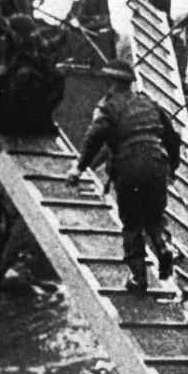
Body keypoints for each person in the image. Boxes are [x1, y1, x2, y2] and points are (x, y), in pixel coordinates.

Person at [66, 59, 181, 292]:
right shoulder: (149, 103)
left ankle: (138, 278)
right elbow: (172, 138)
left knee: (132, 223)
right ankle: (164, 247)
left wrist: (79, 168)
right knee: (154, 217)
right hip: (156, 164)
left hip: (129, 167)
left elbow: (94, 137)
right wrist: (173, 169)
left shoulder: (107, 106)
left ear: (110, 82)